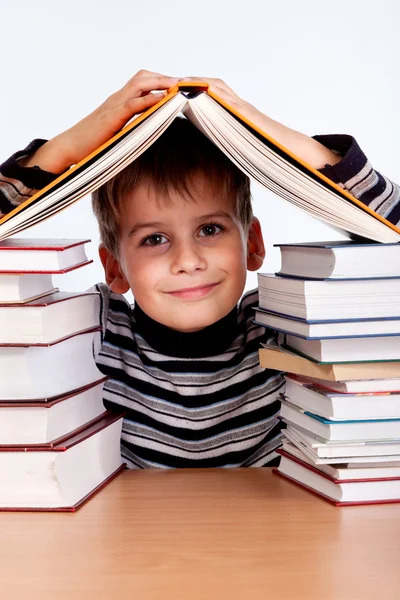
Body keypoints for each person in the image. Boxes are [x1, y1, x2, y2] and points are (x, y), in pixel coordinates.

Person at [1, 70, 399, 469]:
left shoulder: (287, 328)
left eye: (210, 229)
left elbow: (393, 227)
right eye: (154, 239)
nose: (188, 261)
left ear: (253, 244)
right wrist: (62, 150)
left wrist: (263, 129)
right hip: (128, 530)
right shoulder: (90, 333)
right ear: (114, 267)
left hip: (272, 528)